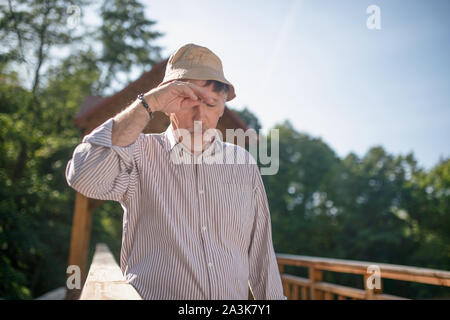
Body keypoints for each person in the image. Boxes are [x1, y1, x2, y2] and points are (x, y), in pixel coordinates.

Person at [65, 43, 286, 300]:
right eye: (187, 101)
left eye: (212, 104)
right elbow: (83, 176)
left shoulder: (243, 164)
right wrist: (149, 103)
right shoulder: (138, 153)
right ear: (167, 103)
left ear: (223, 106)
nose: (200, 117)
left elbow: (261, 253)